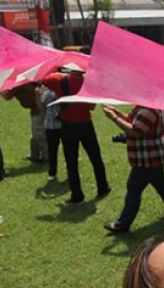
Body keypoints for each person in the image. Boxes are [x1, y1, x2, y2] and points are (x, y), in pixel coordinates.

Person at [102, 104, 164, 233]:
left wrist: (114, 118)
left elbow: (135, 131)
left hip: (148, 158)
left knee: (133, 188)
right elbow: (131, 120)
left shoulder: (148, 110)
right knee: (160, 184)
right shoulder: (143, 107)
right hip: (153, 156)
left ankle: (122, 224)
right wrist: (115, 111)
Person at [42, 65, 111, 203]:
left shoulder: (59, 80)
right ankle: (103, 187)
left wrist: (56, 69)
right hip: (86, 124)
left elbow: (44, 78)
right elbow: (91, 107)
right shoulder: (90, 83)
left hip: (68, 126)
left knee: (71, 162)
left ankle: (77, 195)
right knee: (95, 157)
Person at [2, 82, 48, 164]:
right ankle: (34, 155)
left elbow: (7, 96)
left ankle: (48, 157)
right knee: (35, 135)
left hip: (38, 109)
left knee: (39, 135)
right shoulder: (27, 80)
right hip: (39, 108)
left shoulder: (18, 83)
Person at [36, 85, 63, 182]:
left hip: (63, 124)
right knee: (52, 151)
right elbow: (40, 107)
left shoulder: (63, 89)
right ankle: (52, 173)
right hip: (51, 125)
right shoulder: (47, 91)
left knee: (66, 150)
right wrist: (37, 94)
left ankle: (68, 172)